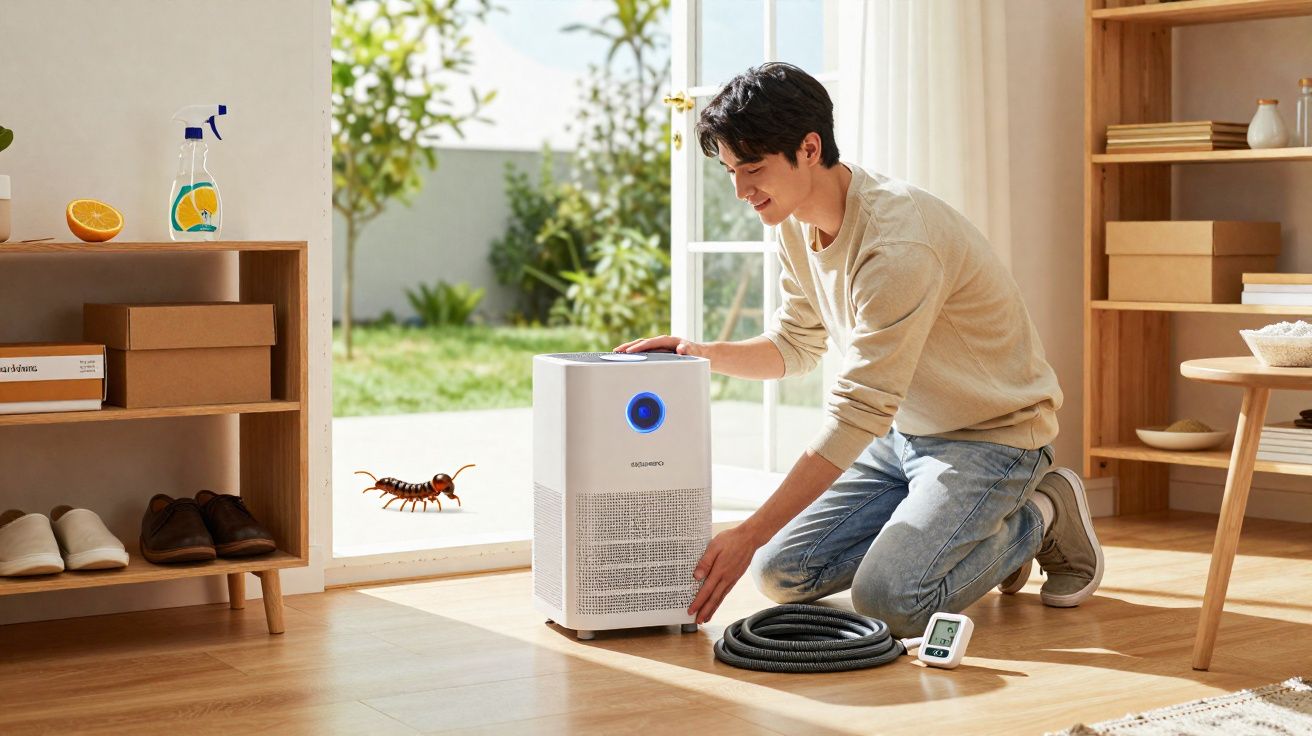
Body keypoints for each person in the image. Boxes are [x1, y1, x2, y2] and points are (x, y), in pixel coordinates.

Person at [614, 62, 1102, 637]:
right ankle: (952, 530)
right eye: (729, 171)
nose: (741, 191)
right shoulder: (792, 222)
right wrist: (698, 353)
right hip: (904, 435)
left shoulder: (897, 244)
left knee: (892, 602)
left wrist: (747, 530)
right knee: (779, 573)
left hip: (992, 437)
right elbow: (794, 345)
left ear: (809, 147)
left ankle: (1042, 513)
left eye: (752, 169)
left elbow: (856, 411)